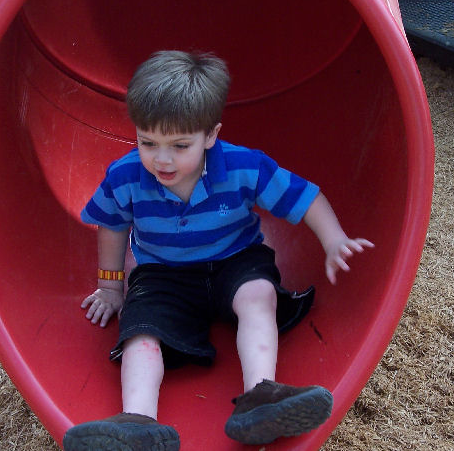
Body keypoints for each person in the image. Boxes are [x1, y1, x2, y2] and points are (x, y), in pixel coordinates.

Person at [63, 51, 374, 451]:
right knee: (140, 330)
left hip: (234, 261)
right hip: (163, 274)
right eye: (148, 142)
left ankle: (261, 395)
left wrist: (334, 240)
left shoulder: (244, 166)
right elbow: (112, 225)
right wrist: (110, 286)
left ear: (210, 135)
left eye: (180, 145)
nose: (161, 159)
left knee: (258, 295)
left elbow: (305, 197)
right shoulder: (126, 176)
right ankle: (138, 422)